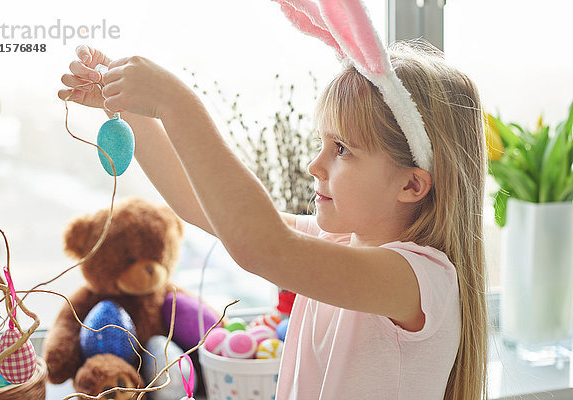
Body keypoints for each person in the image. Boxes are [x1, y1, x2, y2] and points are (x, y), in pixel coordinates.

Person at [58, 34, 488, 398]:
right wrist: (130, 107)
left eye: (342, 150)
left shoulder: (418, 280)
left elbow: (261, 247)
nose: (314, 165)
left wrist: (176, 102)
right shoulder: (336, 240)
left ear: (411, 186)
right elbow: (198, 203)